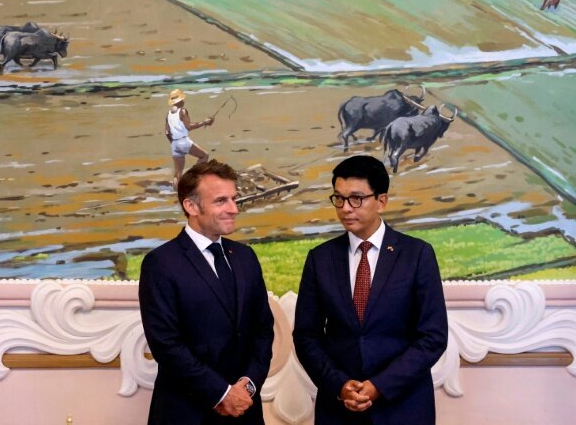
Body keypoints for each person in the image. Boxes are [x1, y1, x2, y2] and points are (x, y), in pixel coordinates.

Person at [293, 155, 448, 424]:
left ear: (381, 201)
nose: (345, 208)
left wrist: (380, 385)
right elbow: (307, 336)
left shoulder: (416, 254)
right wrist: (340, 385)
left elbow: (432, 336)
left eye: (356, 198)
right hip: (339, 409)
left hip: (403, 407)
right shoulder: (320, 258)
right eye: (338, 198)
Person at [139, 159, 274, 424]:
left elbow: (263, 331)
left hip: (245, 411)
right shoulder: (161, 263)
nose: (234, 209)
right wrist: (221, 393)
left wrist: (246, 387)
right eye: (221, 201)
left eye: (234, 199)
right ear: (191, 206)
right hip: (186, 413)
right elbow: (166, 344)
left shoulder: (245, 257)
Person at [166, 88, 214, 189]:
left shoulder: (168, 114)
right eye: (182, 99)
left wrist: (173, 143)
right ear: (179, 101)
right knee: (204, 156)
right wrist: (204, 123)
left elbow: (167, 132)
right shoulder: (182, 111)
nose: (184, 101)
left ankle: (176, 193)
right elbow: (189, 127)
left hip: (174, 144)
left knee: (177, 173)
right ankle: (192, 178)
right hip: (183, 141)